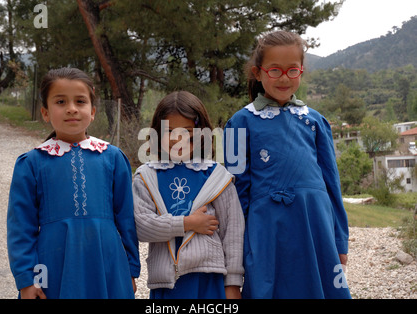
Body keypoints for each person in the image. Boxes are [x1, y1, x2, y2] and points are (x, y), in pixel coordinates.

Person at [224, 31, 351, 299]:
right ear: (258, 73)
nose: (284, 77)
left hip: (316, 225)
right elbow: (234, 195)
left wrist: (340, 240)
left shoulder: (316, 121)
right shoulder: (238, 123)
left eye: (292, 70)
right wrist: (238, 250)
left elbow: (332, 184)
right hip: (267, 231)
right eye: (275, 70)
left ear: (301, 71)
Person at [7, 67, 140, 299]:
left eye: (80, 101)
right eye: (60, 101)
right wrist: (28, 279)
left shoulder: (113, 158)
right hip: (52, 265)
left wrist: (130, 269)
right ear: (45, 112)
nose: (71, 109)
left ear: (93, 111)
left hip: (107, 263)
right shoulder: (31, 163)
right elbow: (21, 227)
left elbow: (127, 219)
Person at [133, 91, 244, 299]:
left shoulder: (217, 177)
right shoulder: (147, 177)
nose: (179, 140)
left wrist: (233, 284)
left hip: (209, 280)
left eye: (187, 132)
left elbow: (233, 233)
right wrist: (187, 223)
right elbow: (142, 226)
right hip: (166, 284)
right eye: (170, 131)